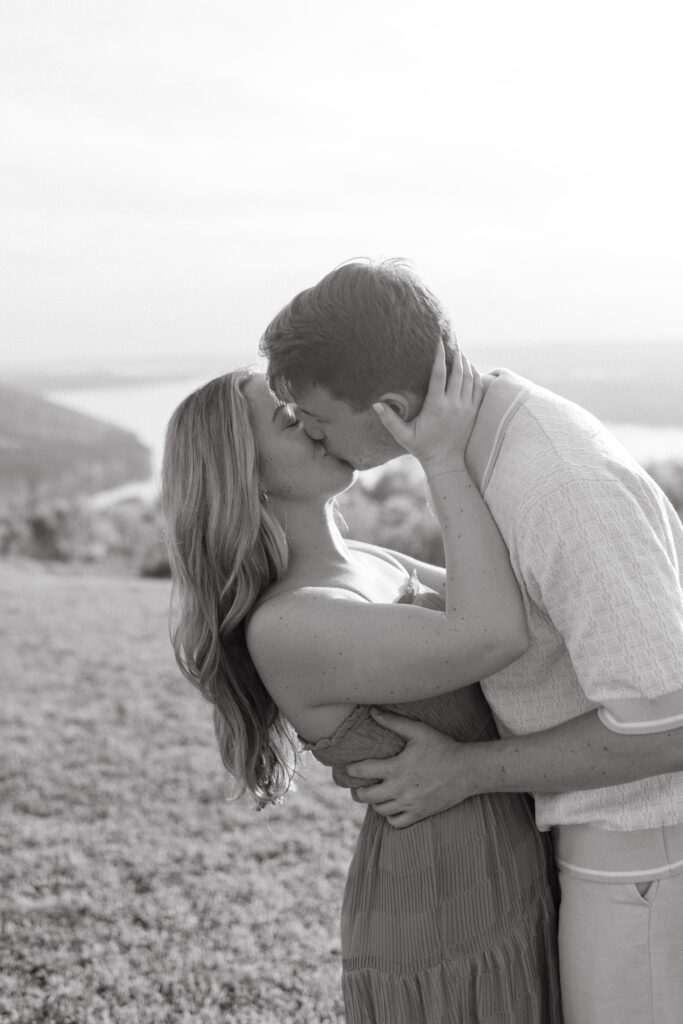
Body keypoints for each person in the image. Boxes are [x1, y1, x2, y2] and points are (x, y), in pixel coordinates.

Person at [260, 258, 683, 1024]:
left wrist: (464, 771)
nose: (313, 437)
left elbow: (665, 721)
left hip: (638, 850)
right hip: (587, 834)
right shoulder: (492, 449)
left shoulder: (552, 483)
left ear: (388, 407)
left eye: (317, 422)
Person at [160, 353, 564, 1023]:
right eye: (290, 417)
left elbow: (528, 605)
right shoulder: (289, 624)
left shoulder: (373, 563)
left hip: (514, 853)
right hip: (445, 897)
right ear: (246, 475)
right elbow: (493, 634)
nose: (319, 423)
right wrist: (440, 457)